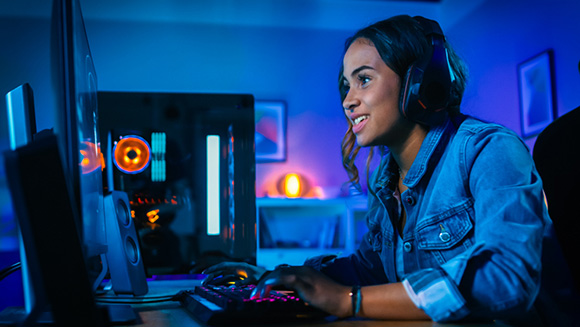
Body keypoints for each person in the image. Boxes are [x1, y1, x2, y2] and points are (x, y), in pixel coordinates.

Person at [202, 15, 578, 325]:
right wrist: (285, 277)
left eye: (363, 79)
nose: (349, 100)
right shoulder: (388, 179)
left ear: (420, 83)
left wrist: (350, 301)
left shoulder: (489, 150)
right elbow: (370, 269)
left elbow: (504, 280)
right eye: (345, 85)